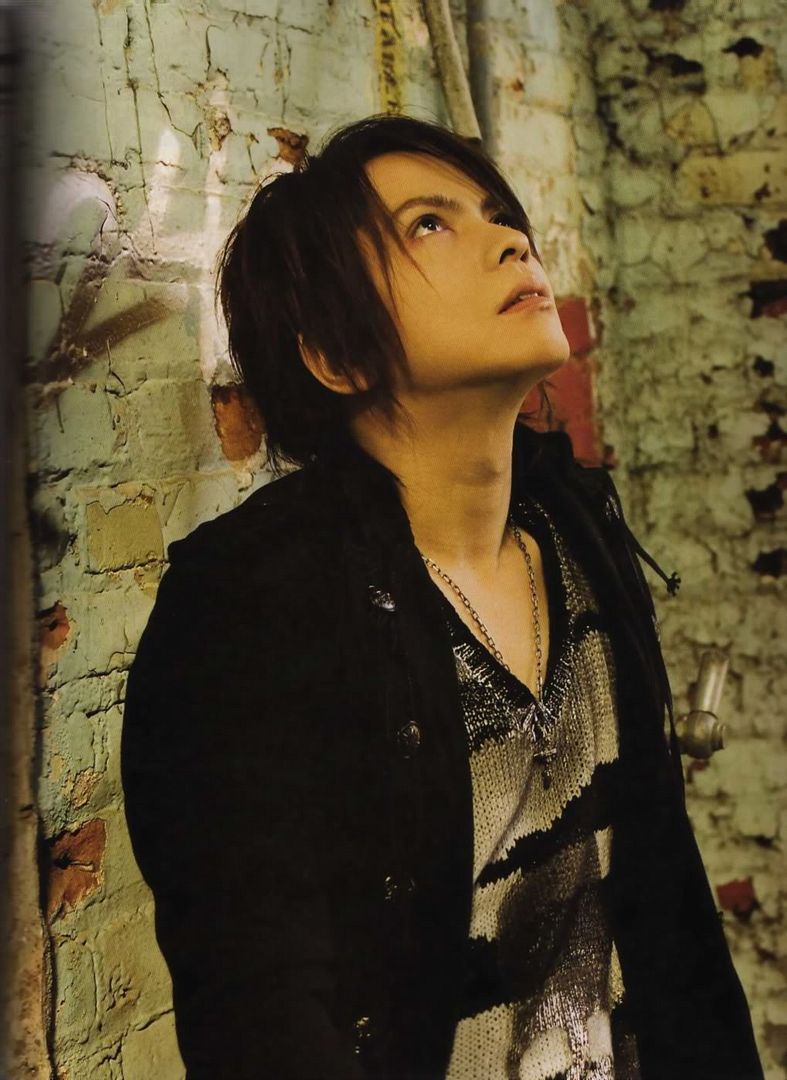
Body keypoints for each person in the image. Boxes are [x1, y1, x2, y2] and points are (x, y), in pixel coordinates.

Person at [120, 113, 763, 1080]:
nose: (509, 238)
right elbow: (259, 1015)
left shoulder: (576, 534)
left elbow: (670, 915)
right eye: (428, 225)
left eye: (497, 213)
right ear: (336, 356)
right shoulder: (249, 605)